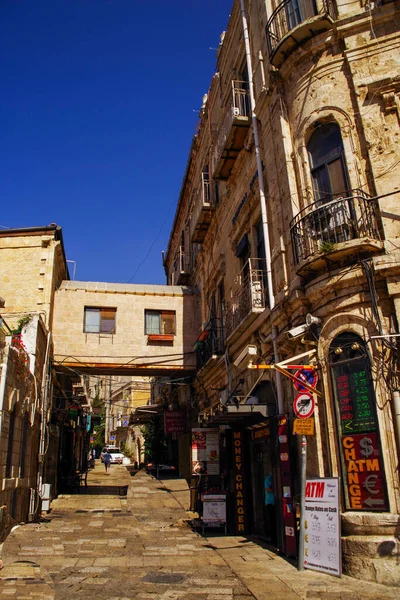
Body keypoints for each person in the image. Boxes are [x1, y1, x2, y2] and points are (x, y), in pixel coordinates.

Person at [264, 472, 276, 544]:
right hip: (270, 502)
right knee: (272, 520)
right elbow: (267, 489)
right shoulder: (269, 478)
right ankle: (273, 538)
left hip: (276, 502)